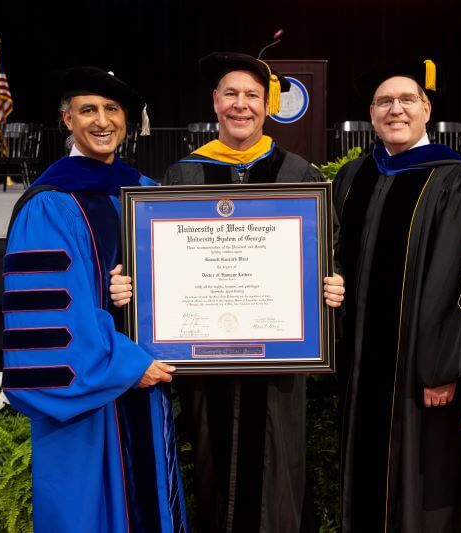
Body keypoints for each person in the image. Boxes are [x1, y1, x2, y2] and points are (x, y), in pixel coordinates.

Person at [132, 51, 343, 533]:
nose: (240, 105)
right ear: (215, 102)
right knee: (213, 461)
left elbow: (325, 251)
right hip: (206, 359)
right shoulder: (184, 175)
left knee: (278, 465)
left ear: (266, 106)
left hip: (279, 359)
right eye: (230, 94)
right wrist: (133, 284)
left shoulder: (298, 175)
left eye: (251, 95)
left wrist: (332, 282)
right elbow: (161, 261)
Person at [1, 66, 188, 532]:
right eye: (88, 110)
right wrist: (129, 363)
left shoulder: (146, 194)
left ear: (128, 120)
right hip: (90, 399)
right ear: (67, 120)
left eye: (112, 110)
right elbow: (52, 314)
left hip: (148, 386)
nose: (102, 121)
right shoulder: (49, 202)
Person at [333, 59, 461, 532]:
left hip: (422, 372)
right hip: (361, 369)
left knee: (424, 483)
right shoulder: (354, 175)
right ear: (371, 113)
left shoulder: (453, 177)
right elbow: (332, 253)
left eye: (407, 100)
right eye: (385, 102)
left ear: (426, 109)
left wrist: (445, 365)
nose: (395, 109)